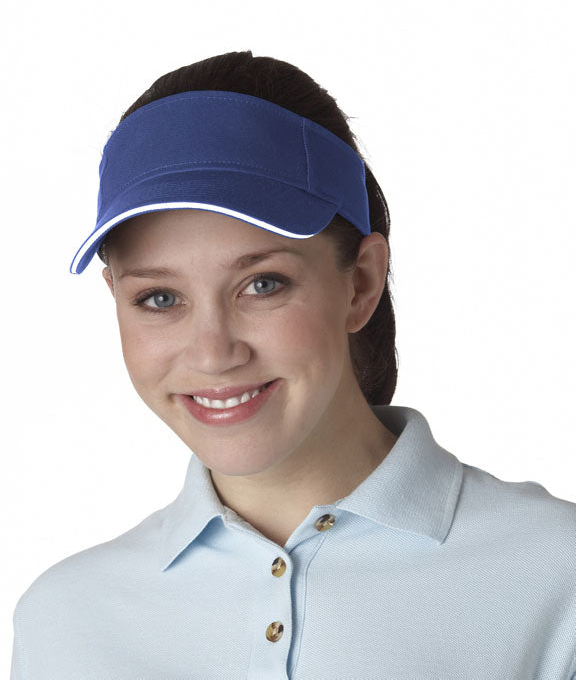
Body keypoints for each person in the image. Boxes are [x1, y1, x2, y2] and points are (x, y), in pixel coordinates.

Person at [10, 50, 576, 680]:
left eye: (263, 285)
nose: (212, 353)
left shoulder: (556, 577)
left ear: (361, 283)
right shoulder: (65, 620)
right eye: (160, 298)